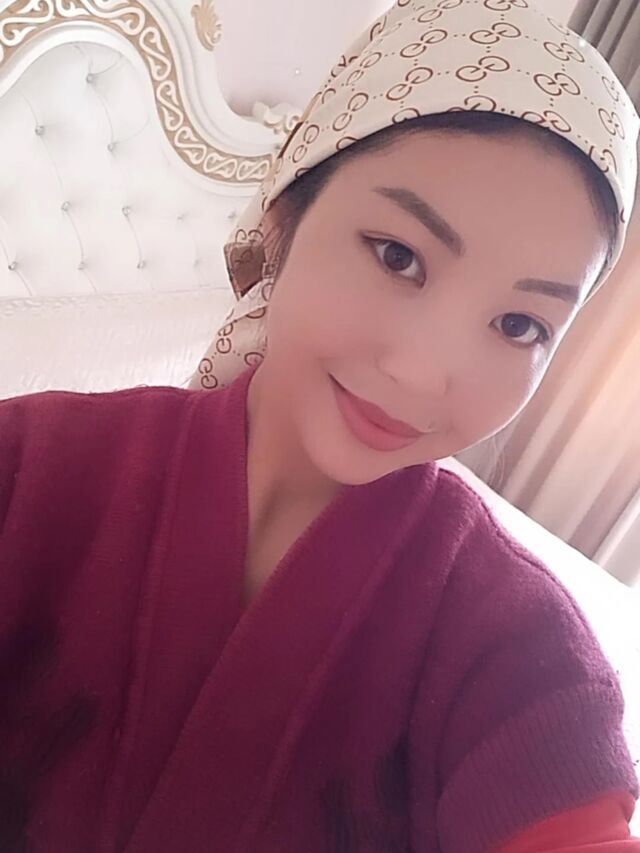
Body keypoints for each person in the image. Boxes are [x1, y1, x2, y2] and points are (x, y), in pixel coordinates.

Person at [1, 0, 639, 851]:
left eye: (519, 325)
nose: (422, 373)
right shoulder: (30, 466)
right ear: (282, 216)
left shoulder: (524, 651)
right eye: (398, 255)